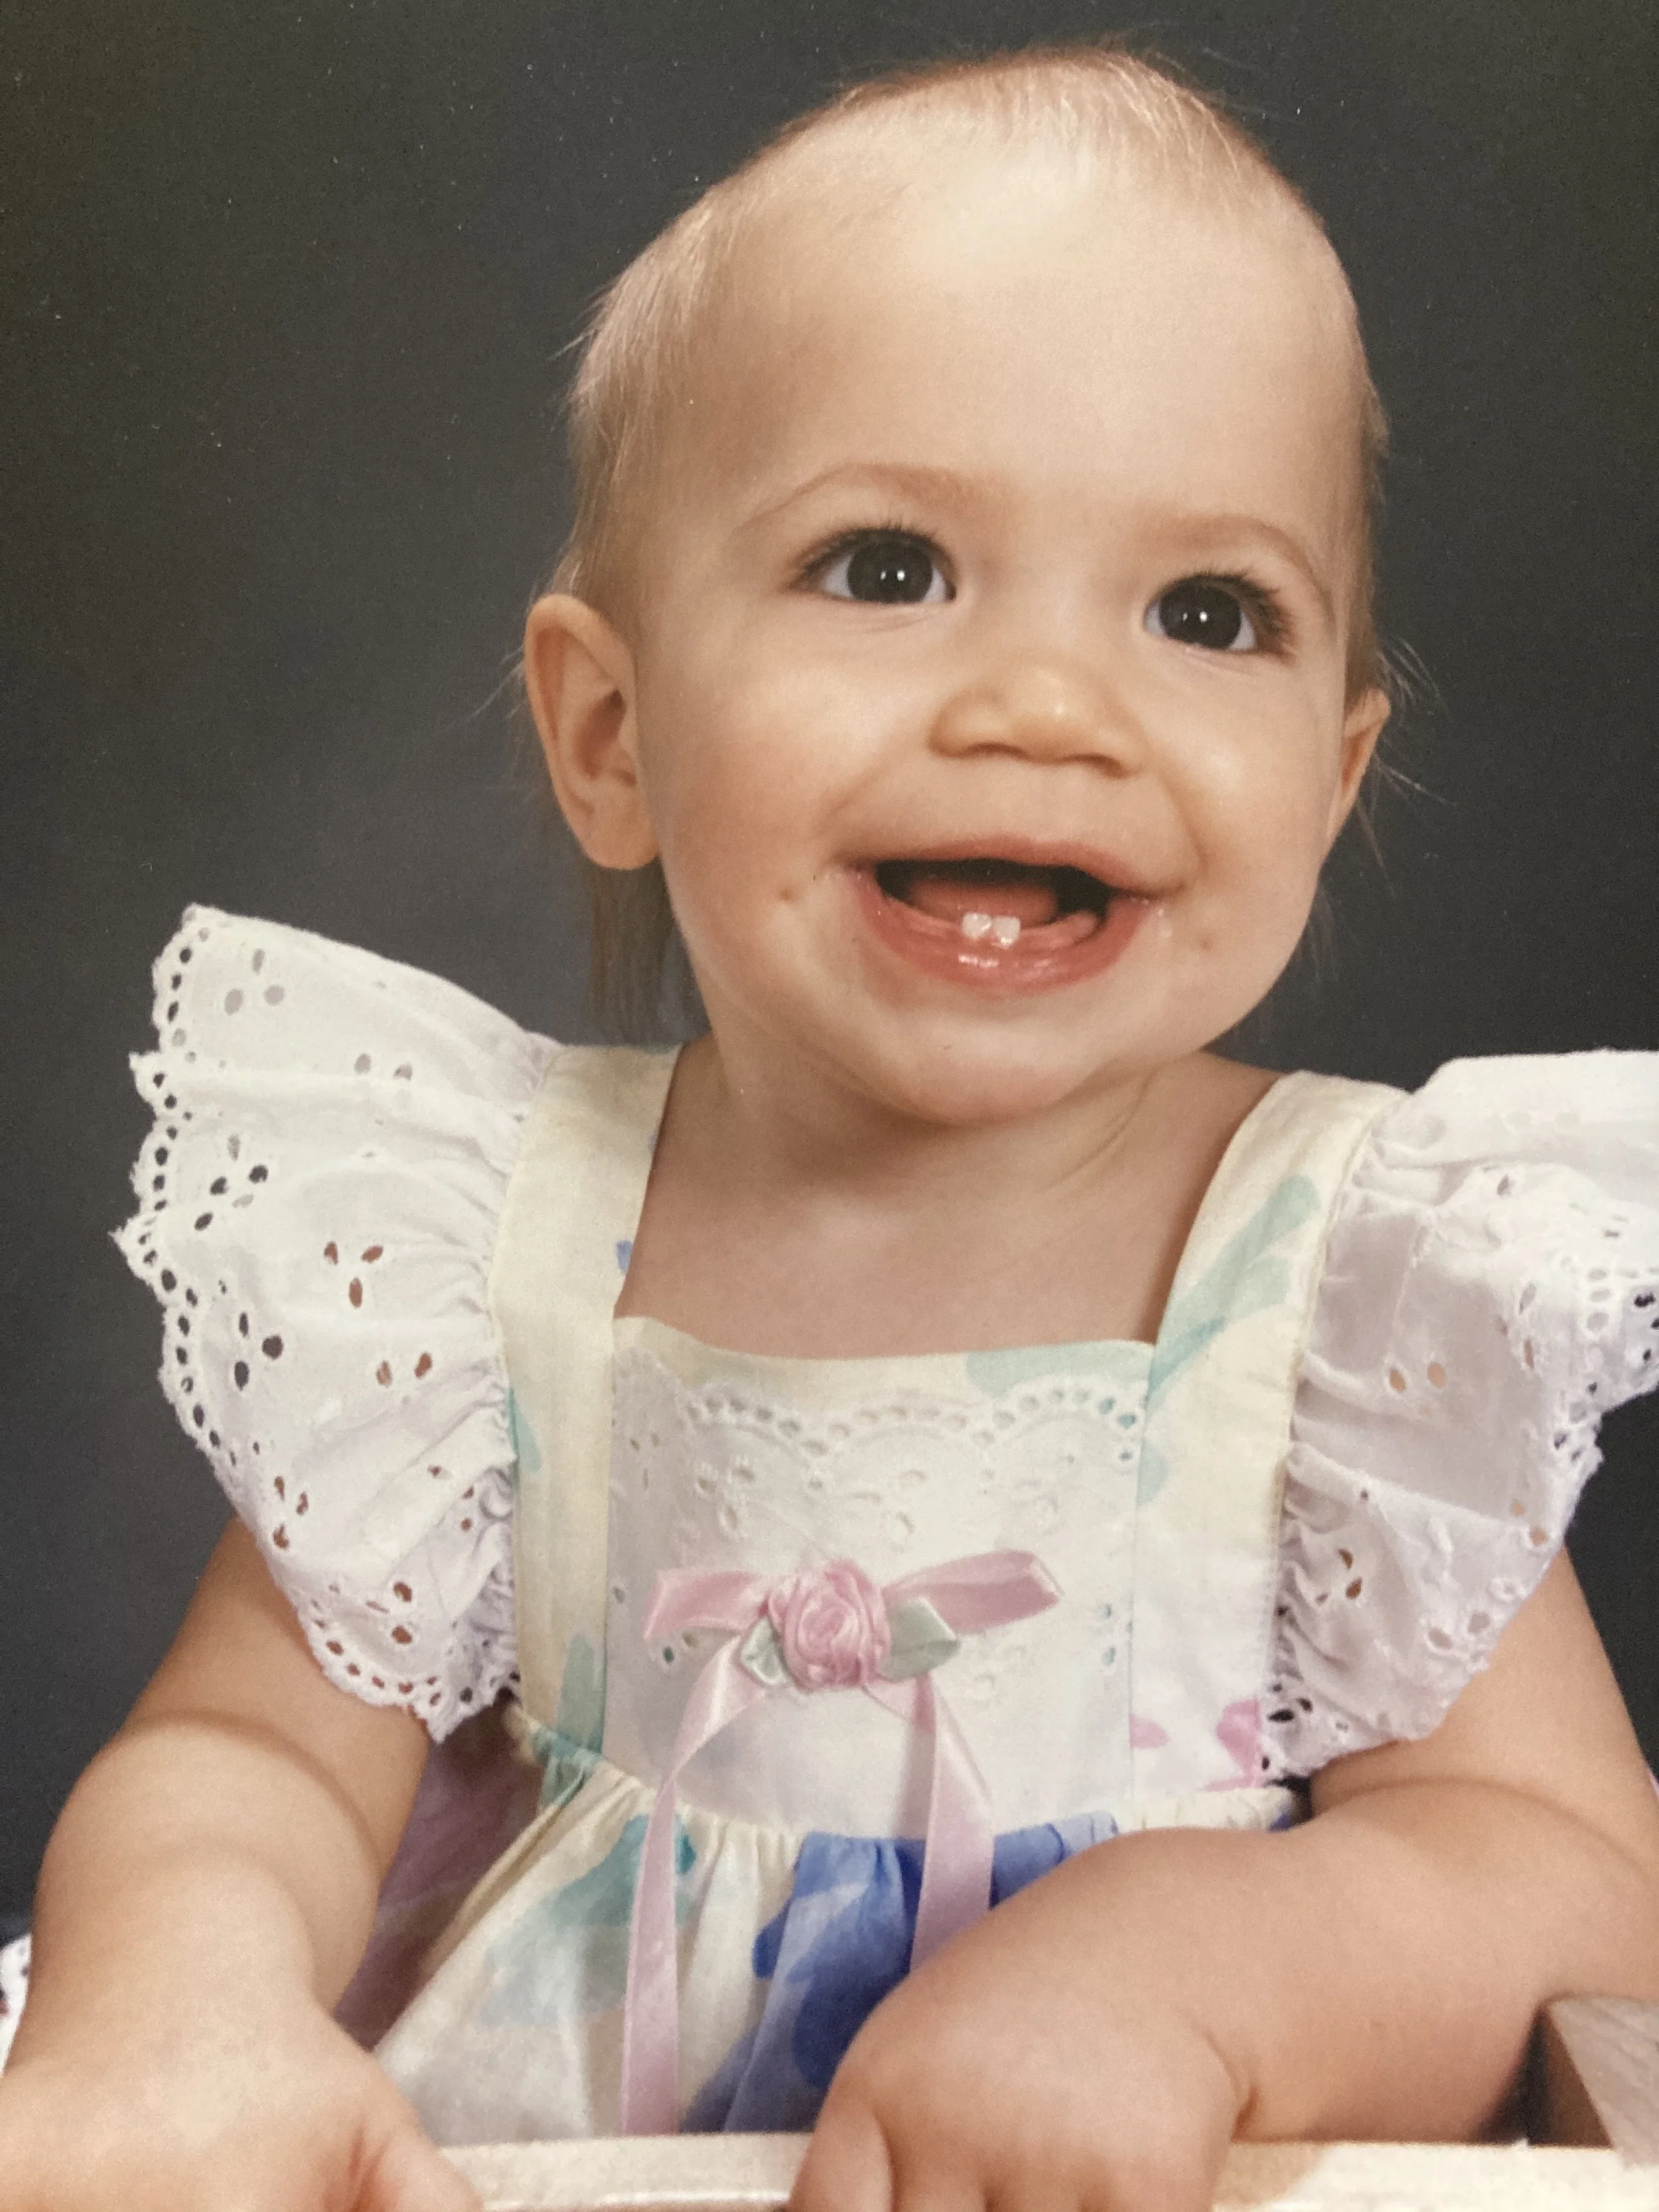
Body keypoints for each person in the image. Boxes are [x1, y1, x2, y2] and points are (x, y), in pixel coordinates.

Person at [4, 41, 1659, 2212]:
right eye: (887, 568)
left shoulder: (1343, 1283)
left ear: (1330, 782)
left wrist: (1180, 1976)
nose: (1048, 708)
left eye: (1204, 612)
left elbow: (1560, 1865)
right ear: (611, 732)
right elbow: (246, 1758)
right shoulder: (490, 1242)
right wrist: (173, 1997)